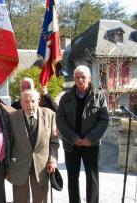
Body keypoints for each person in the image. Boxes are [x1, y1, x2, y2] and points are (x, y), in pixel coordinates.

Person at [56, 65, 109, 203]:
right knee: (72, 178)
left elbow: (104, 120)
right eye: (77, 77)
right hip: (71, 144)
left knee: (92, 178)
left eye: (83, 77)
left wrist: (90, 139)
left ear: (90, 78)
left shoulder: (99, 96)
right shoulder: (66, 97)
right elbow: (60, 120)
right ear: (73, 78)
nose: (80, 80)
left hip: (91, 145)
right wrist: (73, 138)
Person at [8, 89, 59, 203]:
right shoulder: (12, 118)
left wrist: (53, 160)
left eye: (33, 101)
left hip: (42, 166)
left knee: (40, 200)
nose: (30, 105)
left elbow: (54, 142)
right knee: (20, 200)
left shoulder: (50, 115)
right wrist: (7, 168)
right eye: (26, 101)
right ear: (20, 103)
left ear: (38, 101)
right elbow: (9, 144)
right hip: (19, 166)